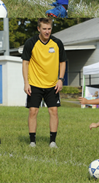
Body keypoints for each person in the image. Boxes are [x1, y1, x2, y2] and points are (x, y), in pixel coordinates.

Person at [21, 17, 66, 148]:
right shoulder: (30, 43)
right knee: (33, 111)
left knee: (54, 112)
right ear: (38, 29)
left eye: (49, 29)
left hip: (53, 85)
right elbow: (25, 63)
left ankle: (52, 141)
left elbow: (62, 62)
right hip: (34, 84)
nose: (47, 31)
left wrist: (60, 79)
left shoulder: (57, 43)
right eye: (44, 29)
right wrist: (26, 82)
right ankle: (32, 142)